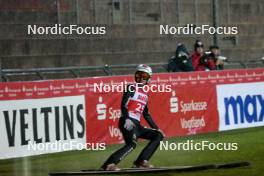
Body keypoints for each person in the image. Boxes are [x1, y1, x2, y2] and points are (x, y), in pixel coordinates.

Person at [101, 64, 164, 171]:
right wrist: (127, 118)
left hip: (137, 125)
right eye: (138, 75)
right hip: (128, 121)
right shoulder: (131, 87)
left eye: (143, 75)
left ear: (149, 78)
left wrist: (157, 128)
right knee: (132, 144)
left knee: (158, 135)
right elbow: (124, 104)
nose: (141, 78)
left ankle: (141, 162)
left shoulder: (145, 94)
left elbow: (146, 114)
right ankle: (109, 164)